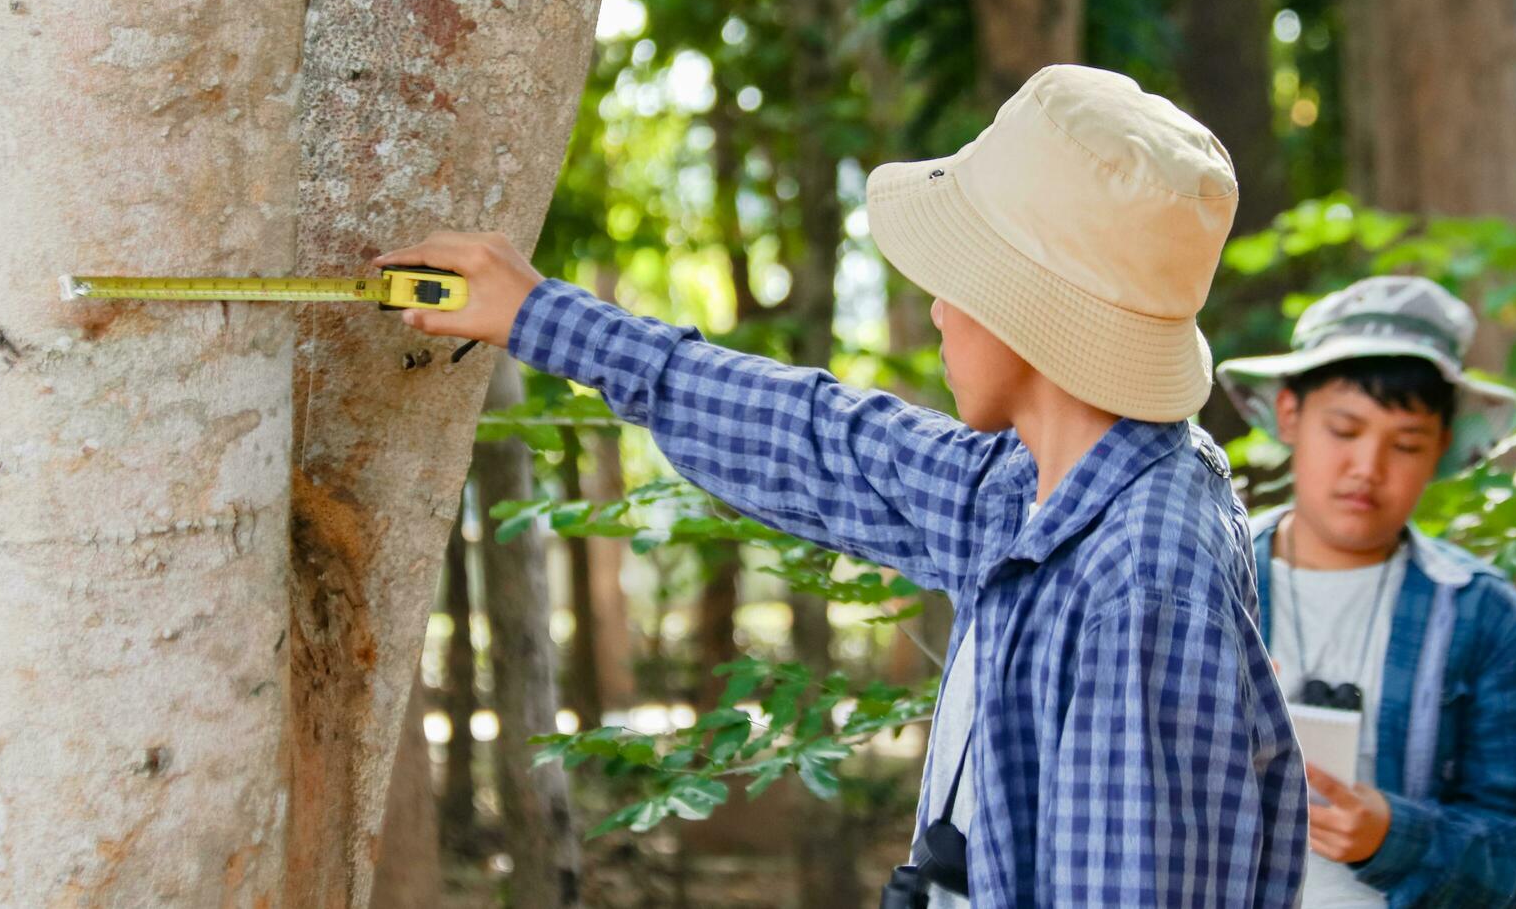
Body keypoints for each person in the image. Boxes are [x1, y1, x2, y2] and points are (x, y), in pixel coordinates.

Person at [384, 65, 1305, 906]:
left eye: (959, 277)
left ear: (1031, 309)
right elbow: (820, 441)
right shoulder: (1038, 488)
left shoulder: (1141, 575)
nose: (939, 308)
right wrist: (547, 318)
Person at [1217, 275, 1516, 908]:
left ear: (1444, 449)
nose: (1367, 469)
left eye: (1405, 444)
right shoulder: (1204, 579)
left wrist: (1392, 837)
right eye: (1344, 431)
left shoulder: (1486, 619)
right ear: (1289, 413)